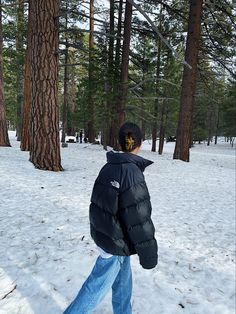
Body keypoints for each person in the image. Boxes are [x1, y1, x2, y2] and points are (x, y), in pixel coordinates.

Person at [63, 122, 158, 314]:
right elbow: (139, 219)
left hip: (112, 239)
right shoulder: (132, 173)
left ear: (119, 142)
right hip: (114, 243)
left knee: (123, 285)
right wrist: (149, 255)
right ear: (140, 143)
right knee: (94, 289)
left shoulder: (109, 167)